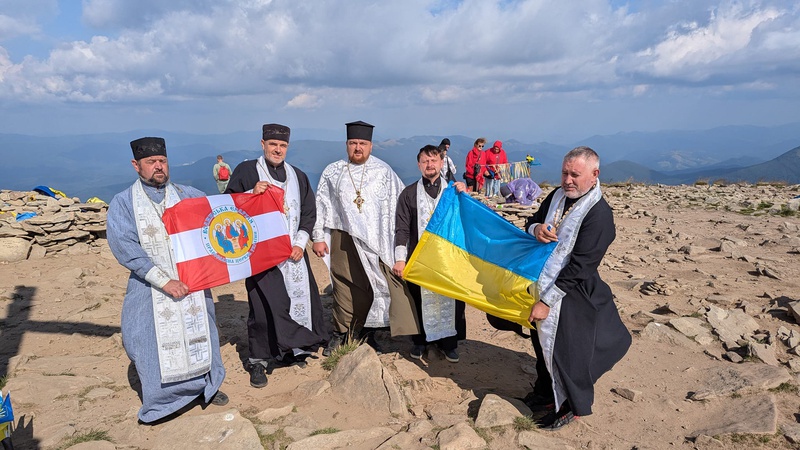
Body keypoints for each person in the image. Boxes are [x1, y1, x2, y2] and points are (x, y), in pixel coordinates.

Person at [107, 137, 227, 424]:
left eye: (162, 161)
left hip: (192, 284)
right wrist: (164, 281)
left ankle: (205, 387)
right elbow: (124, 246)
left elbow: (223, 209)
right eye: (151, 162)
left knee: (202, 331)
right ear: (136, 165)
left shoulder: (187, 194)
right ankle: (161, 402)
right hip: (149, 285)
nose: (158, 166)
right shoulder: (123, 203)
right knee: (145, 337)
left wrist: (254, 194)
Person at [523, 146, 631, 431]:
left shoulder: (599, 214)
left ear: (594, 175)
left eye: (575, 174)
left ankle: (571, 406)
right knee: (541, 343)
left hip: (573, 291)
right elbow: (531, 222)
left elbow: (582, 266)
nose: (567, 180)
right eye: (564, 173)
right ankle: (547, 393)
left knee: (568, 350)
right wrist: (537, 230)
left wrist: (546, 302)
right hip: (543, 280)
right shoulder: (557, 196)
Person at [224, 124, 330, 388]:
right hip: (261, 255)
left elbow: (308, 211)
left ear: (287, 148)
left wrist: (301, 242)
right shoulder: (247, 171)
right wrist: (250, 194)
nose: (277, 150)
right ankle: (259, 361)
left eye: (282, 146)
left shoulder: (298, 176)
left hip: (293, 252)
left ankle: (295, 350)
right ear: (263, 144)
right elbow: (226, 207)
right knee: (263, 307)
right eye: (273, 145)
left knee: (300, 300)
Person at [312, 121, 418, 355]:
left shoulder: (384, 171)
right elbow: (321, 204)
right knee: (344, 287)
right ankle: (341, 334)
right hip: (344, 236)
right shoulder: (333, 171)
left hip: (377, 240)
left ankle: (369, 333)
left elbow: (403, 203)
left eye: (362, 143)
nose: (357, 148)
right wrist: (318, 236)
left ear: (370, 145)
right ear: (346, 144)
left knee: (375, 285)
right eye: (353, 143)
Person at [392, 145, 467, 362]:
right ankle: (420, 342)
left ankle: (449, 344)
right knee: (418, 300)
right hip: (420, 259)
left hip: (448, 260)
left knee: (451, 301)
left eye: (434, 160)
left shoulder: (453, 192)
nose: (430, 165)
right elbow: (402, 228)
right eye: (425, 161)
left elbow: (466, 221)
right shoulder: (408, 194)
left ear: (441, 163)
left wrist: (465, 196)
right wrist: (400, 259)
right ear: (419, 165)